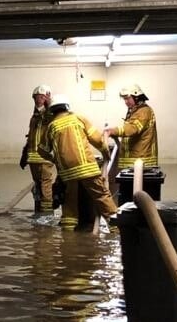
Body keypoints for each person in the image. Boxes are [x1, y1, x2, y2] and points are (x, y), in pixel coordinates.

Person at [38, 94, 118, 230]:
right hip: (87, 168)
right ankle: (116, 227)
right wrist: (106, 153)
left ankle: (68, 233)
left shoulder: (51, 126)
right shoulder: (78, 118)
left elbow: (42, 150)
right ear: (66, 107)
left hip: (67, 173)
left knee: (69, 203)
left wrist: (55, 160)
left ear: (52, 110)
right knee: (102, 196)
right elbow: (98, 140)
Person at [19, 84, 57, 213]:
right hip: (33, 159)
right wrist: (24, 155)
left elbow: (48, 118)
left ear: (47, 98)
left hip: (45, 158)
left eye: (41, 97)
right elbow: (31, 137)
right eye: (35, 97)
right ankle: (39, 211)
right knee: (38, 186)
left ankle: (47, 214)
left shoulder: (50, 115)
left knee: (46, 186)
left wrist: (49, 104)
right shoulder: (34, 118)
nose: (37, 100)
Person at [106, 84, 158, 169]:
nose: (126, 102)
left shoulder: (144, 111)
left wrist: (113, 131)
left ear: (136, 97)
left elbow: (133, 128)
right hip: (133, 163)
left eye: (127, 98)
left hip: (141, 163)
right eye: (124, 99)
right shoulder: (135, 111)